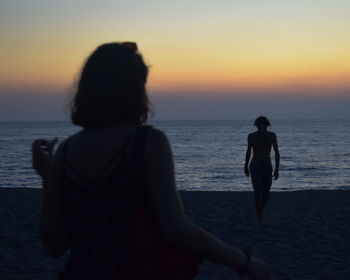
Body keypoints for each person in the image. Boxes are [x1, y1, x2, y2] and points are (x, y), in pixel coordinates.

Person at [32, 42, 270, 280]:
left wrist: (48, 177)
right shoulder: (147, 143)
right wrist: (245, 262)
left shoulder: (65, 151)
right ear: (134, 90)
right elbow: (177, 230)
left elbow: (55, 245)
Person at [244, 116, 280, 226]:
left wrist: (277, 169)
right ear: (256, 125)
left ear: (266, 125)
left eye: (263, 124)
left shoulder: (272, 136)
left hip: (267, 166)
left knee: (266, 194)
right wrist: (245, 166)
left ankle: (259, 212)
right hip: (255, 166)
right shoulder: (251, 136)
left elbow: (276, 153)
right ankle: (260, 218)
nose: (261, 126)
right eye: (259, 124)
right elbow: (248, 151)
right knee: (258, 193)